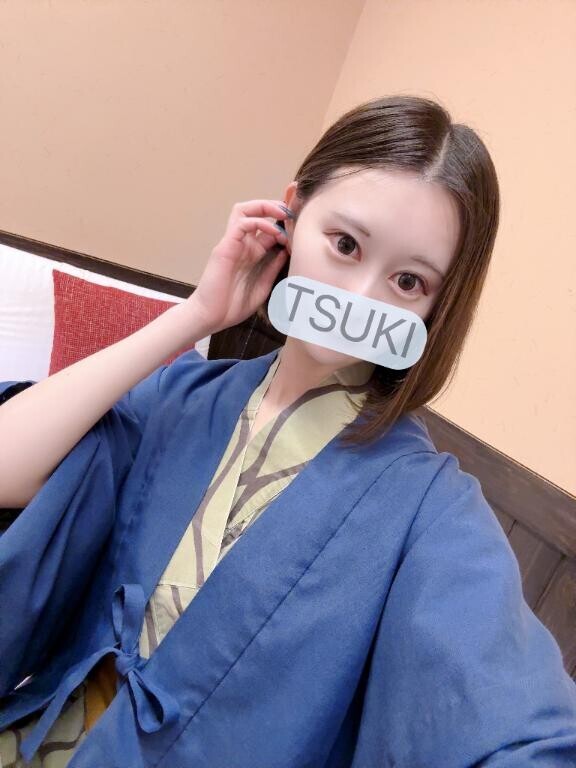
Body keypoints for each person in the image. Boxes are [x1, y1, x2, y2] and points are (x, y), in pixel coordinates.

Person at [1, 94, 575, 767]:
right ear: (291, 215)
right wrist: (197, 314)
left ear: (435, 307)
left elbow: (517, 724)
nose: (357, 298)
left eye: (408, 281)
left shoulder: (430, 506)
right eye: (345, 245)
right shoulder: (184, 397)